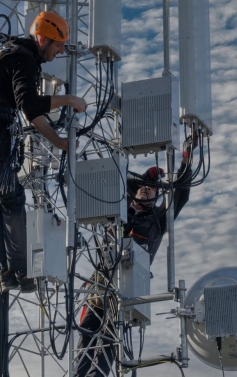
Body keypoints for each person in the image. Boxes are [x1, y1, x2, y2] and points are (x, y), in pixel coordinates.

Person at [0, 11, 87, 293]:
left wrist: (59, 142)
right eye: (57, 44)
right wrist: (68, 99)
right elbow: (30, 106)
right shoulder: (24, 60)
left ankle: (6, 271)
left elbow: (31, 113)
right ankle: (20, 271)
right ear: (42, 39)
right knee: (12, 200)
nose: (61, 50)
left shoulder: (11, 52)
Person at [74, 134, 198, 377]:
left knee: (110, 336)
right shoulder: (117, 211)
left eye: (151, 189)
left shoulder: (157, 221)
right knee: (87, 333)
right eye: (143, 186)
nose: (145, 189)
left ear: (157, 196)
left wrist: (186, 159)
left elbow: (181, 195)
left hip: (125, 288)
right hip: (99, 285)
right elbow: (112, 184)